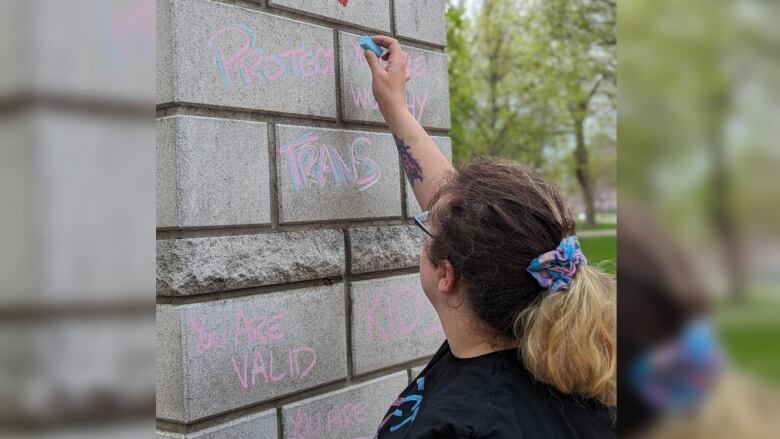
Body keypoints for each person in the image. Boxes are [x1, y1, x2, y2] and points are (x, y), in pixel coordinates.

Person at [362, 35, 617, 439]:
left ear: (448, 274)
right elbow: (460, 214)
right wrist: (395, 107)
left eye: (429, 229)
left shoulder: (461, 428)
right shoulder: (561, 364)